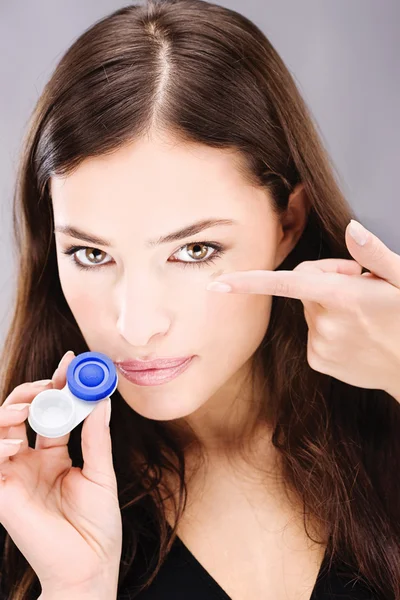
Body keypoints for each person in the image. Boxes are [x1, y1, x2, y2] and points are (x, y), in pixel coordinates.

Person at [0, 0, 398, 598]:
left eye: (193, 251)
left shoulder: (386, 414)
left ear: (288, 222)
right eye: (91, 254)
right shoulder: (24, 502)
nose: (135, 327)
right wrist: (75, 585)